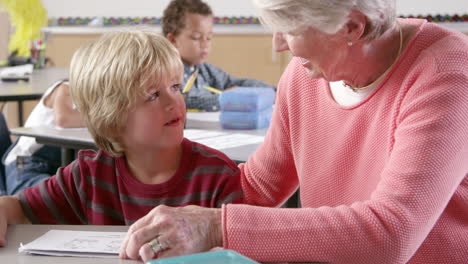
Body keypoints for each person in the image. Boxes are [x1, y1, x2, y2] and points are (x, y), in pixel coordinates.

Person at [120, 0, 468, 263]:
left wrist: (215, 227)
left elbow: (390, 233)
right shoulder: (305, 76)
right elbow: (257, 187)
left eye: (289, 29)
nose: (277, 45)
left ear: (351, 27)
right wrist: (145, 202)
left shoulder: (446, 74)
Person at [0, 30, 243, 247]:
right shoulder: (87, 175)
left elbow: (245, 245)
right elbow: (20, 210)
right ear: (111, 117)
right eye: (152, 95)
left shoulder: (218, 176)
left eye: (175, 87)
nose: (173, 102)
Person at [162, 0, 276, 112]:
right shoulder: (165, 72)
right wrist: (225, 98)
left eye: (209, 38)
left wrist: (271, 91)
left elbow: (235, 83)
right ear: (173, 40)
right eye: (196, 37)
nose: (205, 44)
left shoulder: (204, 70)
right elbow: (183, 101)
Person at [0, 80, 84, 196]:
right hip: (26, 165)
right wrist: (107, 119)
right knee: (55, 198)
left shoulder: (100, 102)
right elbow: (63, 119)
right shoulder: (66, 87)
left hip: (60, 172)